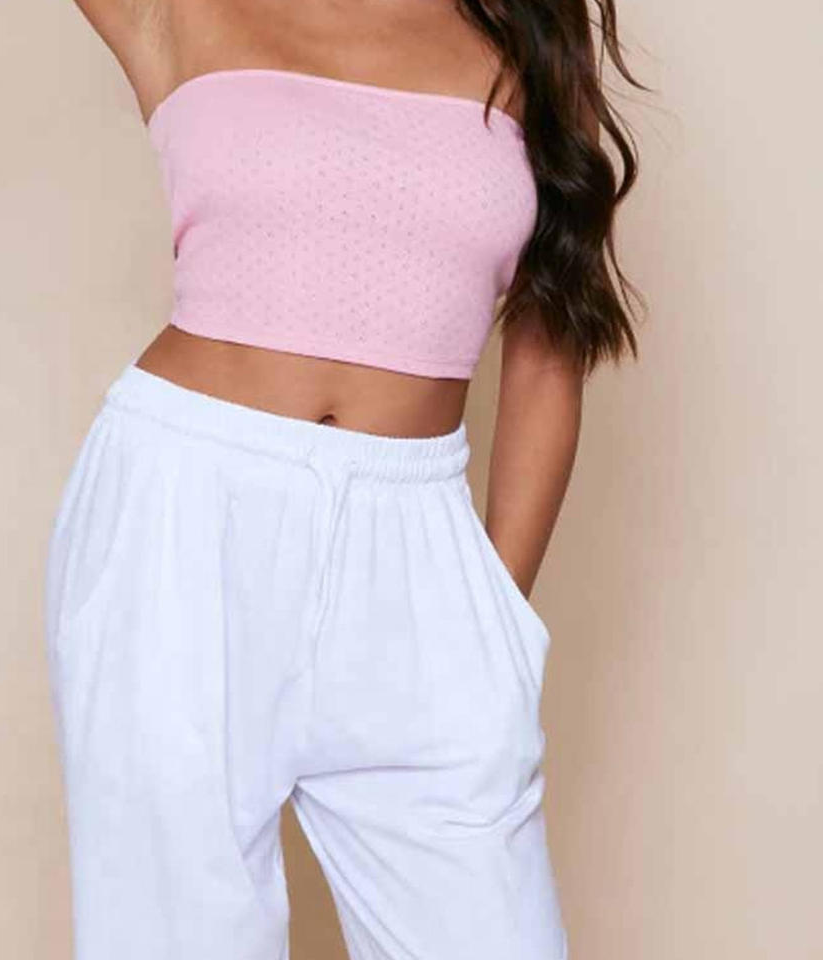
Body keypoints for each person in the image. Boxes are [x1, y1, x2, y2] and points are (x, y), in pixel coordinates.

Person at [44, 2, 641, 957]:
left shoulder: (522, 36)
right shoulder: (180, 10)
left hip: (416, 545)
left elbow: (547, 351)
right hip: (184, 522)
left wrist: (494, 613)